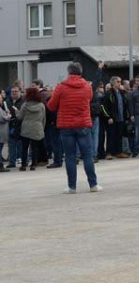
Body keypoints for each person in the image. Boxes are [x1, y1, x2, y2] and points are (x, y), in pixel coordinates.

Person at [47, 62, 100, 192]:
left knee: (70, 156)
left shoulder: (61, 87)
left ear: (69, 72)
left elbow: (51, 106)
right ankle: (93, 185)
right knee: (87, 155)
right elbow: (90, 98)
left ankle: (72, 186)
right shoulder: (87, 86)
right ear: (81, 72)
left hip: (66, 125)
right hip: (83, 123)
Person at [101, 76, 130, 160]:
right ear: (113, 83)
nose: (120, 83)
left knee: (119, 136)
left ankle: (118, 152)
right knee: (110, 136)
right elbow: (103, 106)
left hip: (121, 118)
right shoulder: (108, 93)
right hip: (112, 119)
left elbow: (125, 103)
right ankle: (109, 153)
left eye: (120, 81)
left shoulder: (121, 93)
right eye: (118, 81)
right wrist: (108, 117)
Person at [17, 87, 45, 172]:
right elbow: (44, 118)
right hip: (37, 127)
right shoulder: (41, 105)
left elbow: (20, 117)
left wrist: (17, 113)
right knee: (34, 148)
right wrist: (42, 128)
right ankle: (33, 165)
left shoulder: (25, 105)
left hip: (26, 128)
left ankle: (23, 165)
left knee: (24, 148)